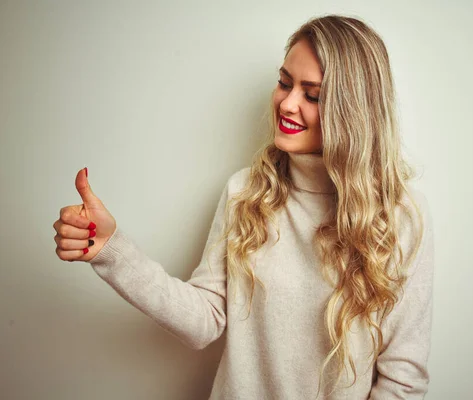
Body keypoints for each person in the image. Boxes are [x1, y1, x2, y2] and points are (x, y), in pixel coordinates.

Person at [53, 14, 434, 400]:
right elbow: (204, 320)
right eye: (284, 83)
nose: (287, 103)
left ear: (353, 110)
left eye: (312, 94)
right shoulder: (246, 192)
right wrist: (111, 250)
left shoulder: (401, 218)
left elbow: (403, 379)